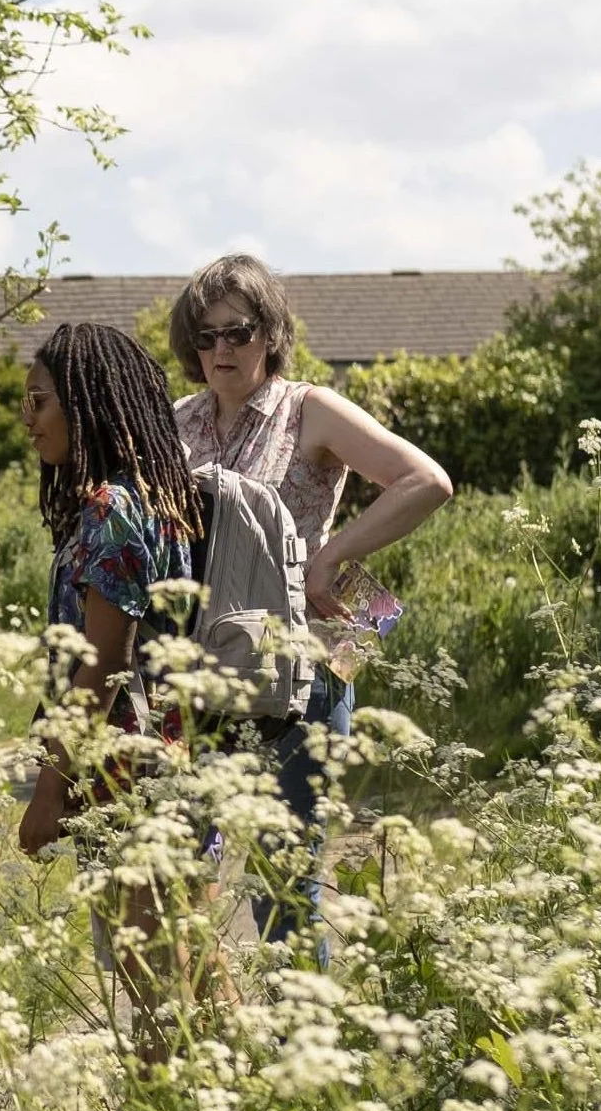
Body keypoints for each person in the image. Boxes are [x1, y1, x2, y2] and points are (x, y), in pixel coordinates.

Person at [168, 254, 453, 935]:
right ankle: (201, 1027)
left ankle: (296, 1039)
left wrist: (331, 556)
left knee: (284, 888)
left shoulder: (309, 410)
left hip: (302, 666)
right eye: (204, 337)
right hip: (201, 670)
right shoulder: (176, 420)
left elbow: (426, 480)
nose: (219, 350)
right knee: (180, 870)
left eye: (234, 332)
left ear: (269, 332)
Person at [14, 324, 210, 1051]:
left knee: (148, 964)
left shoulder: (111, 508)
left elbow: (100, 665)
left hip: (124, 773)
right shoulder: (160, 499)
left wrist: (48, 788)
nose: (28, 418)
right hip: (168, 756)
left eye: (39, 401)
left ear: (87, 403)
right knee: (178, 956)